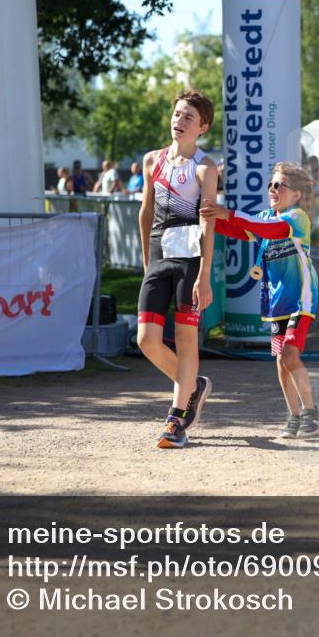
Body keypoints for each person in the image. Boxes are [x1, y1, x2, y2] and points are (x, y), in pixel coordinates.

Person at [199, 162, 319, 438]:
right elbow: (241, 231)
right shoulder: (267, 215)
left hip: (301, 297)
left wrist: (228, 213)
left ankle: (311, 412)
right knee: (281, 361)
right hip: (276, 301)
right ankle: (293, 416)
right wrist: (210, 219)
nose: (272, 189)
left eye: (279, 185)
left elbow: (268, 229)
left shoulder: (297, 216)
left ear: (297, 194)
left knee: (290, 353)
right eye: (270, 185)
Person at [136, 88, 217, 449]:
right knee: (146, 340)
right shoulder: (152, 160)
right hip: (157, 256)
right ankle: (194, 388)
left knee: (185, 340)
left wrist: (205, 274)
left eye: (188, 117)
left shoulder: (205, 167)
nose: (179, 121)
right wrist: (144, 262)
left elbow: (208, 224)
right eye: (177, 114)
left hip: (190, 260)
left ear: (202, 127)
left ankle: (175, 420)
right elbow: (146, 213)